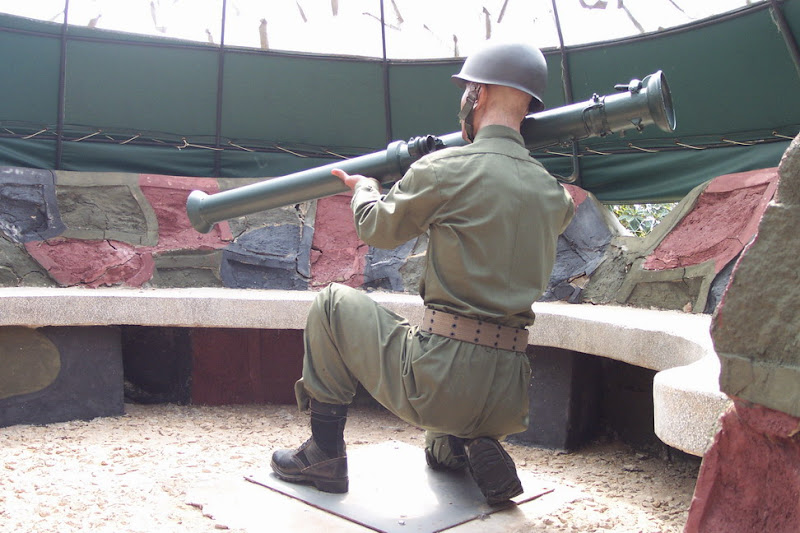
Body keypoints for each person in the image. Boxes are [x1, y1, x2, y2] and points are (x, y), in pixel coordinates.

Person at [270, 41, 575, 505]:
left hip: (442, 378)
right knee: (439, 445)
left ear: (479, 93)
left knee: (331, 303)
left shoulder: (442, 169)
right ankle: (465, 444)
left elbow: (376, 229)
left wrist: (365, 189)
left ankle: (323, 454)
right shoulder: (554, 195)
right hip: (508, 392)